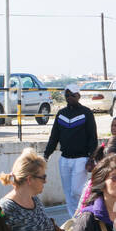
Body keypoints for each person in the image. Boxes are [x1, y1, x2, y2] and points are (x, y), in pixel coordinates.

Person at [43, 85, 99, 220]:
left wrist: (92, 157)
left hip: (81, 159)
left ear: (78, 96)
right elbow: (54, 136)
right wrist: (46, 155)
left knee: (77, 191)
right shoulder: (61, 114)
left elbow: (93, 137)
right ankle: (74, 221)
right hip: (64, 159)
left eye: (72, 95)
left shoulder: (86, 113)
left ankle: (84, 216)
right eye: (67, 95)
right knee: (68, 194)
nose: (69, 97)